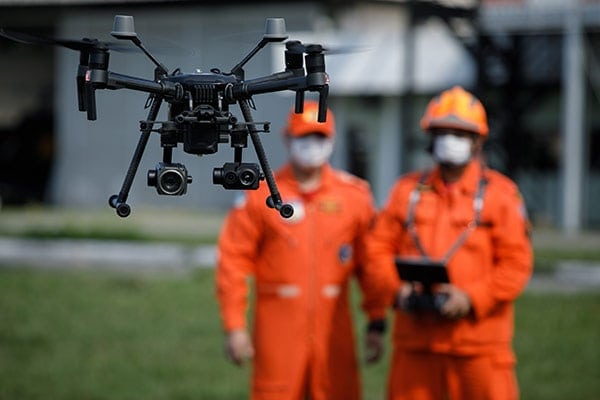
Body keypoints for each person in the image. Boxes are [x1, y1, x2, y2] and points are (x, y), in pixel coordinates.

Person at [366, 86, 533, 400]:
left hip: (478, 347)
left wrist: (471, 298)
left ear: (478, 141)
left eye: (460, 133)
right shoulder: (406, 191)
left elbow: (517, 264)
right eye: (442, 132)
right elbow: (376, 249)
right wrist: (396, 290)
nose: (449, 140)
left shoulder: (501, 195)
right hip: (416, 345)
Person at [215, 100, 388, 400]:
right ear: (287, 138)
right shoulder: (261, 195)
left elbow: (371, 263)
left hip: (334, 335)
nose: (312, 144)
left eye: (320, 137)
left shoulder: (354, 197)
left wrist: (376, 320)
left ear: (332, 141)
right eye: (304, 136)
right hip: (278, 337)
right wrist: (234, 326)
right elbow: (233, 260)